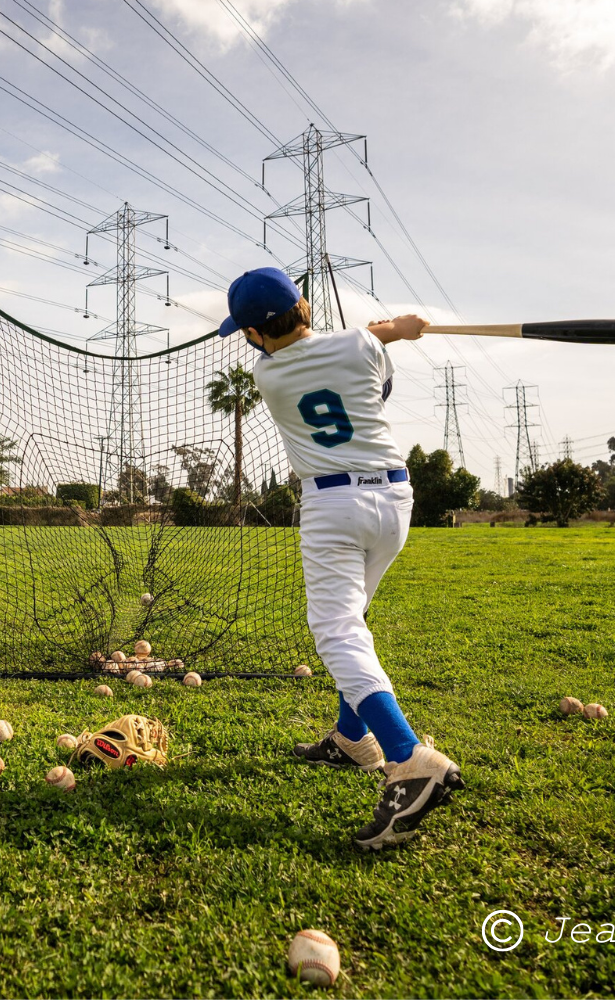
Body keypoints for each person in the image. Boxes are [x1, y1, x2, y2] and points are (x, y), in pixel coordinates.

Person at [218, 266, 464, 850]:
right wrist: (398, 329)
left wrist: (387, 331)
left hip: (333, 504)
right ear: (304, 305)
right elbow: (375, 383)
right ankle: (353, 740)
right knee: (352, 622)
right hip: (394, 498)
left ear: (255, 334)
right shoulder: (360, 344)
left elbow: (348, 347)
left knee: (334, 629)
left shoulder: (267, 373)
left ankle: (410, 759)